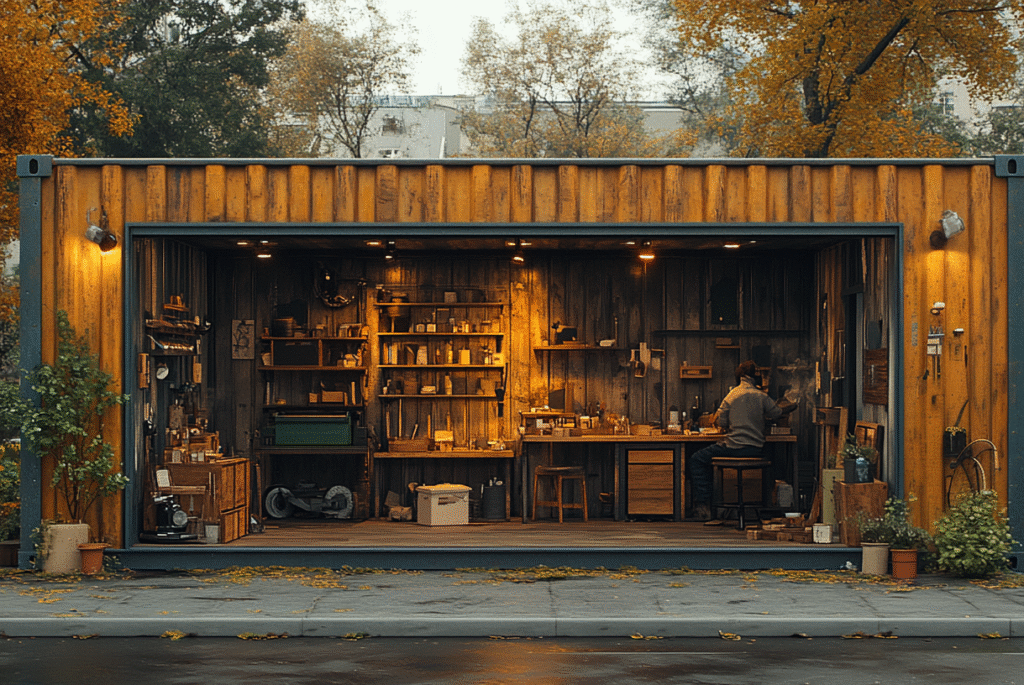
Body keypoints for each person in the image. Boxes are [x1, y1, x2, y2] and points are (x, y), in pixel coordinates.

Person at [689, 360, 795, 521]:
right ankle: (769, 506)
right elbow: (777, 413)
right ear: (754, 377)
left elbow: (721, 422)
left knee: (697, 459)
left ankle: (704, 505)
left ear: (740, 377)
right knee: (777, 458)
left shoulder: (732, 395)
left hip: (733, 448)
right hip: (755, 449)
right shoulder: (762, 396)